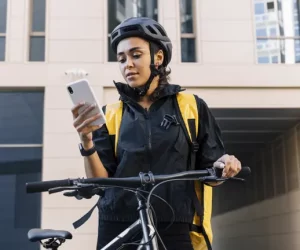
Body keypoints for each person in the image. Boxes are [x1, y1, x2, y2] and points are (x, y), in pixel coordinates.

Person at [71, 17, 242, 250]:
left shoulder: (191, 107)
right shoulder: (110, 114)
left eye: (136, 55)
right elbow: (99, 182)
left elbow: (213, 169)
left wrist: (226, 164)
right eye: (121, 59)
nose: (127, 64)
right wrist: (86, 141)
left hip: (175, 224)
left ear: (158, 58)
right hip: (119, 224)